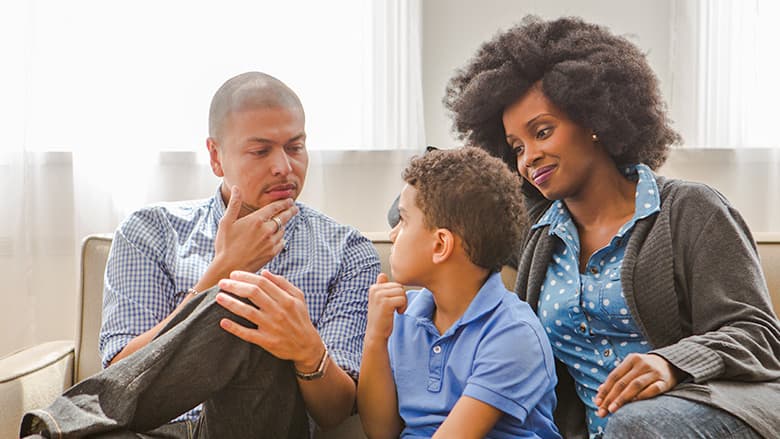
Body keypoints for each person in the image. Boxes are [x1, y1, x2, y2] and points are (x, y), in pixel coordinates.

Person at [443, 16, 780, 439]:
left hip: (710, 412)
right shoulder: (537, 234)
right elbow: (427, 209)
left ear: (594, 118)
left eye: (543, 132)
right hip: (603, 431)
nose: (529, 157)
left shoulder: (691, 210)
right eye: (516, 148)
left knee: (638, 424)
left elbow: (758, 333)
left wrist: (672, 363)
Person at [20, 72, 380, 438]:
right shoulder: (150, 231)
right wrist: (222, 270)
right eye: (261, 151)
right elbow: (126, 372)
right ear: (216, 156)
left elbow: (335, 413)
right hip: (148, 431)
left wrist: (306, 348)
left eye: (295, 147)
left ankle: (61, 425)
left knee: (249, 306)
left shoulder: (348, 253)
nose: (283, 167)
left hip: (254, 427)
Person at [358, 147, 561, 439]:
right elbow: (381, 433)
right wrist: (375, 338)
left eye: (402, 220)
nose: (392, 235)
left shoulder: (513, 333)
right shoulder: (403, 317)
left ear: (441, 245)